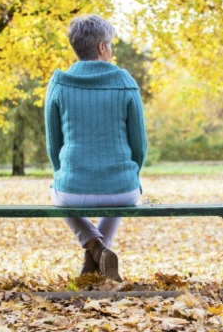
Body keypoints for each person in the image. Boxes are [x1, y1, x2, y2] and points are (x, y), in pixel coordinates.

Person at [44, 14, 148, 282]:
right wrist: (130, 175)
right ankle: (99, 254)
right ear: (102, 47)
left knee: (56, 193)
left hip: (72, 191)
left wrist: (66, 174)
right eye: (110, 44)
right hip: (123, 190)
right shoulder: (124, 81)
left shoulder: (58, 83)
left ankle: (94, 250)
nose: (111, 50)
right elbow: (140, 146)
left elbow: (53, 144)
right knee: (122, 195)